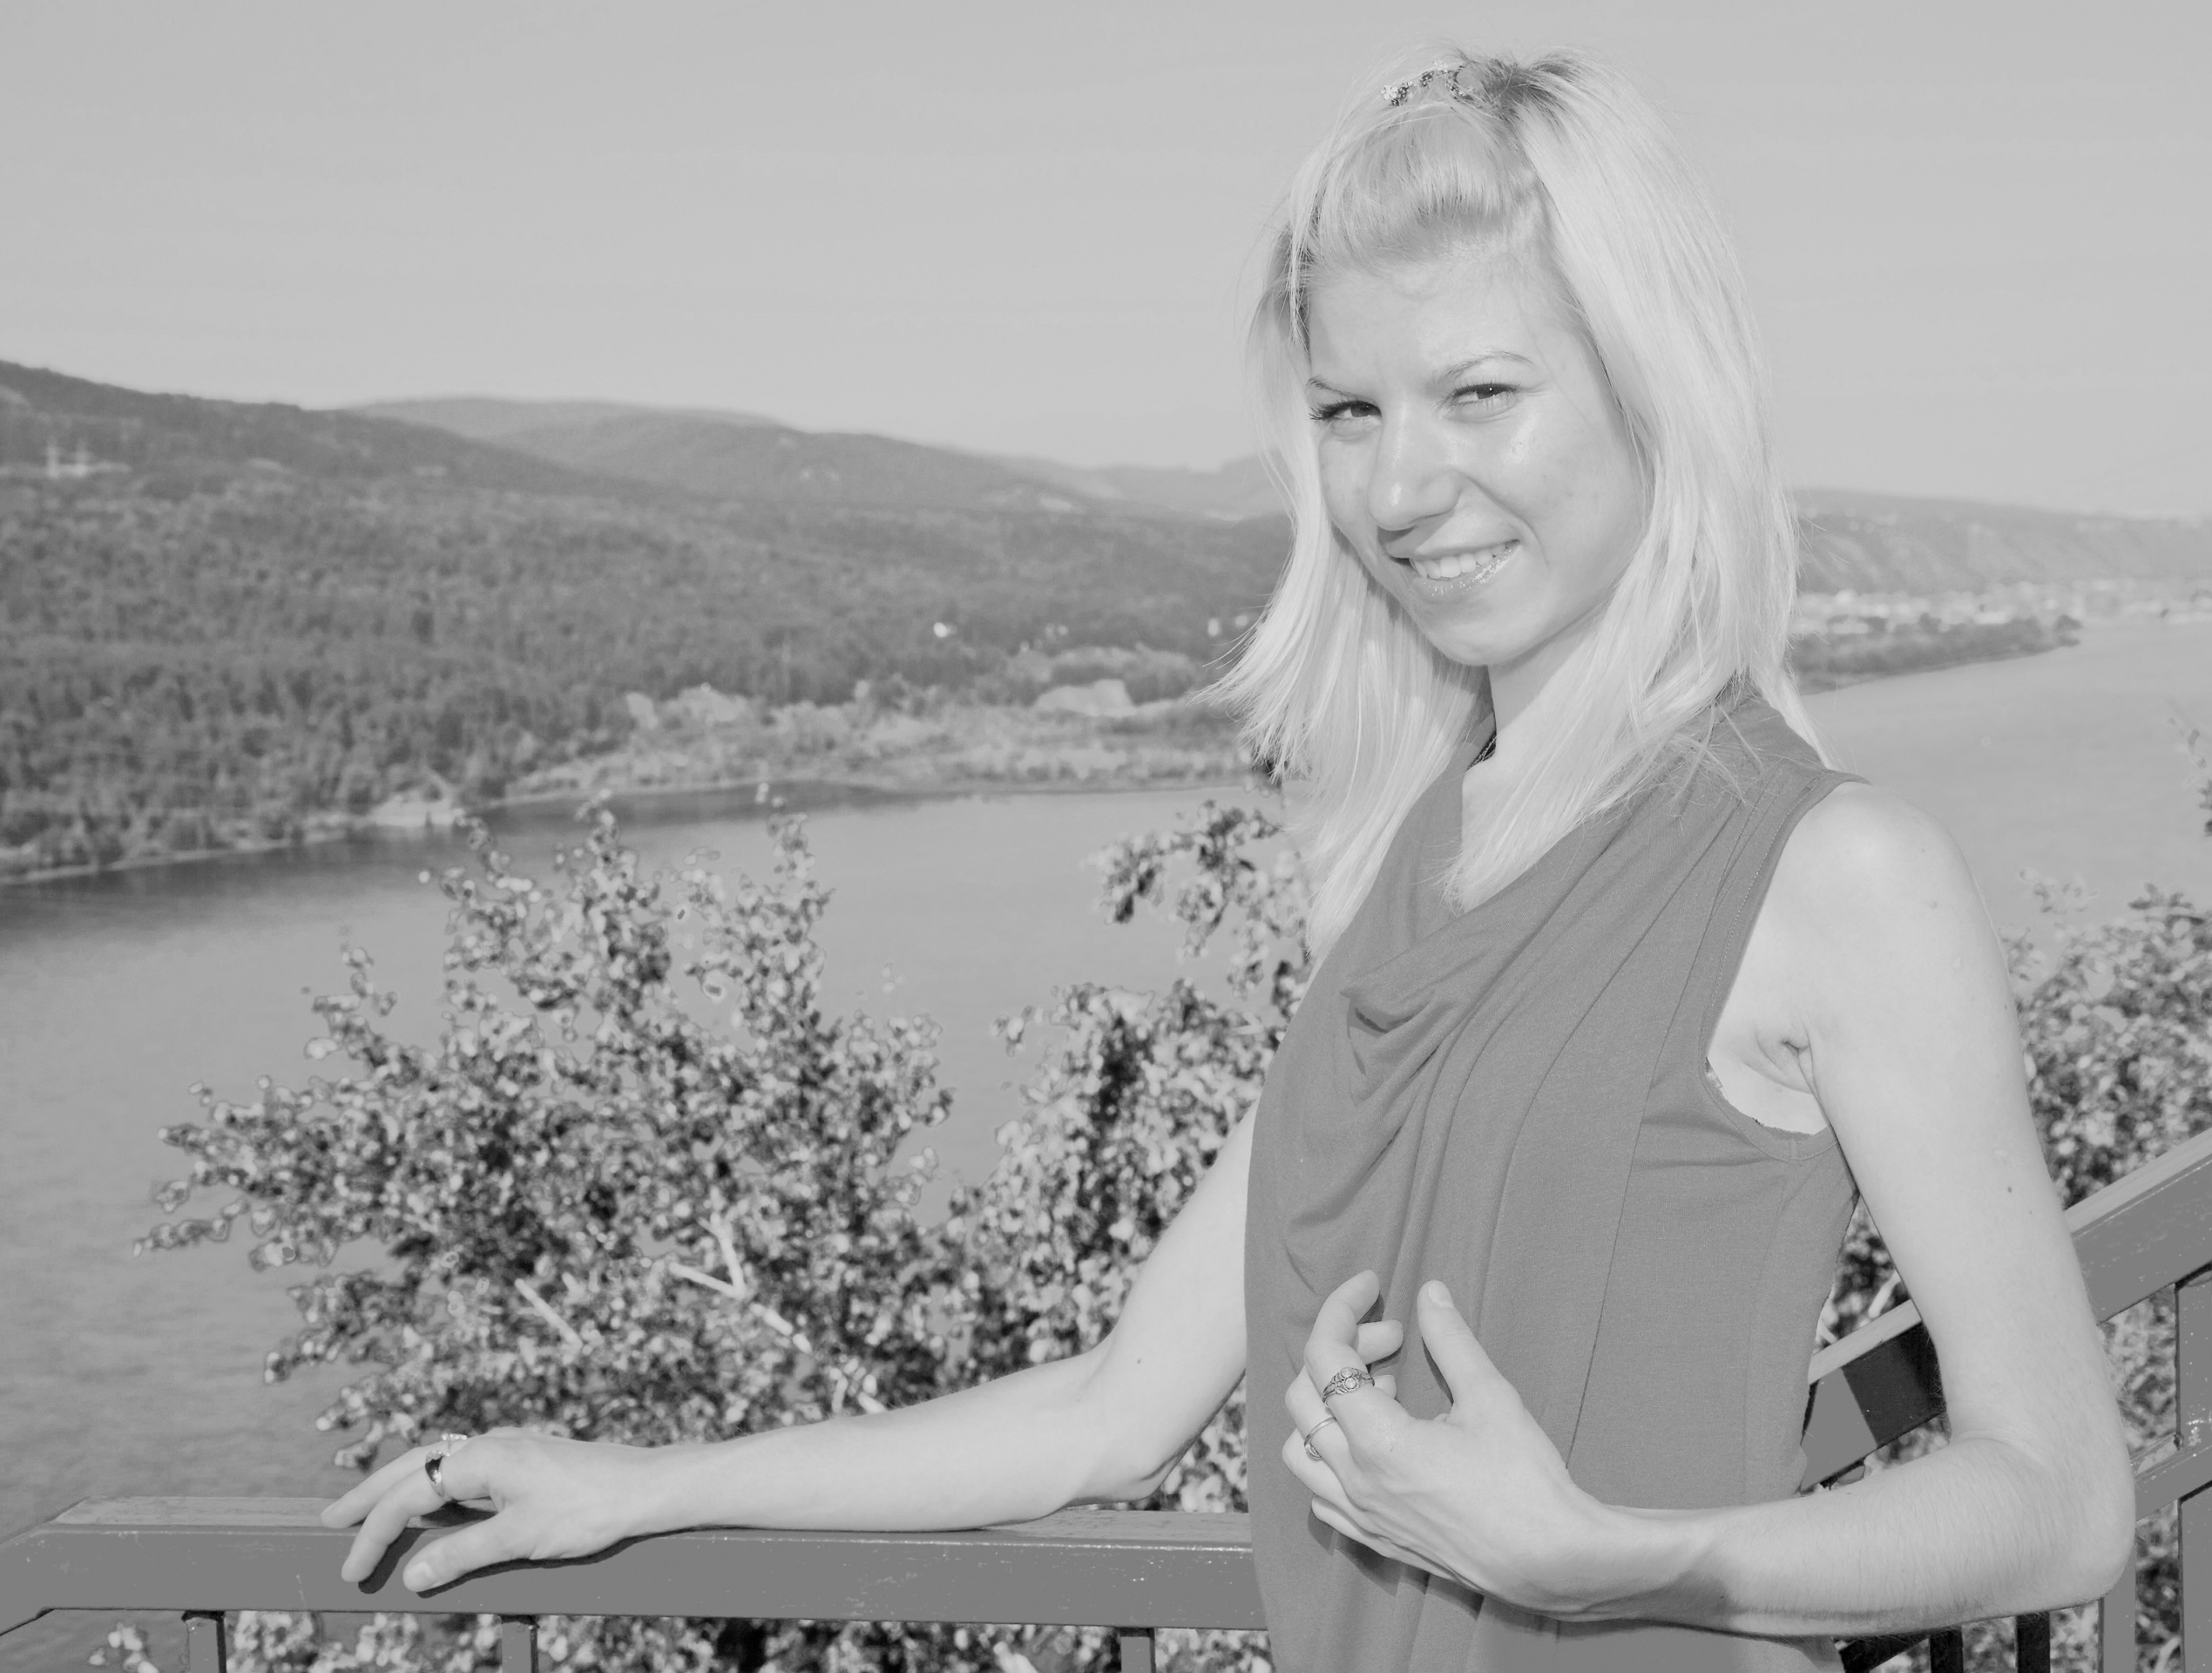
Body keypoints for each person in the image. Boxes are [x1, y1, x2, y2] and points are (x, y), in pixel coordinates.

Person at [324, 46, 2134, 1671]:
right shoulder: (1416, 861)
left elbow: (2060, 1501)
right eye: (1350, 412)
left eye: (1479, 392)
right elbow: (1115, 1409)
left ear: (1655, 391)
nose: (1399, 490)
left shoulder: (1831, 872)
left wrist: (1602, 1562)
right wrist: (639, 1485)